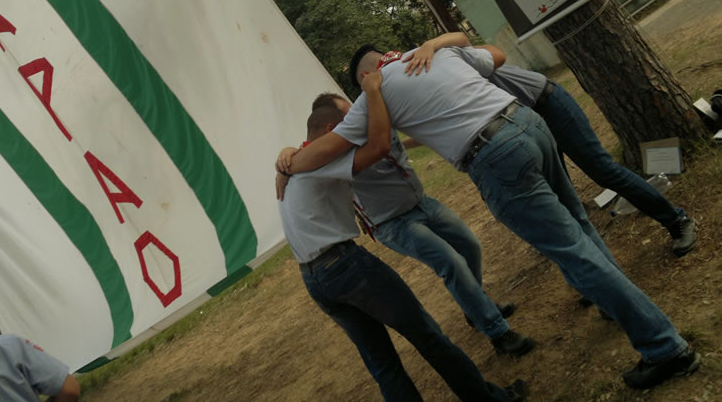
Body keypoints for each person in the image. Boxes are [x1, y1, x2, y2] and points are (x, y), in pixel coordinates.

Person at [277, 44, 699, 390]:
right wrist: (440, 42)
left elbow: (330, 151)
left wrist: (286, 162)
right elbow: (495, 54)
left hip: (495, 155)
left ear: (366, 76)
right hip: (527, 123)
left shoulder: (376, 92)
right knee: (578, 226)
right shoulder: (433, 56)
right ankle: (615, 308)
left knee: (571, 251)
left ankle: (664, 347)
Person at [277, 69, 527, 402]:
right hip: (346, 265)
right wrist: (372, 90)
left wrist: (283, 156)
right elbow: (379, 145)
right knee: (427, 335)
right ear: (329, 130)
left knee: (382, 363)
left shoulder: (299, 161)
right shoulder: (316, 160)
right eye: (348, 118)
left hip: (315, 278)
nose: (356, 121)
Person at [408, 40, 698, 257]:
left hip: (544, 104)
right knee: (558, 198)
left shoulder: (448, 60)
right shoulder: (428, 94)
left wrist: (431, 45)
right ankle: (597, 271)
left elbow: (490, 50)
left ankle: (677, 221)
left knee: (602, 170)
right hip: (520, 129)